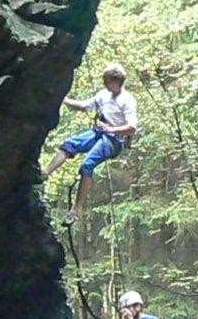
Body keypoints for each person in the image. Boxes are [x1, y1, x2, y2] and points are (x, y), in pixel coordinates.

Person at [42, 63, 138, 227]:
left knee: (87, 165)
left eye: (106, 80)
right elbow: (84, 106)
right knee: (68, 145)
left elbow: (132, 127)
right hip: (99, 132)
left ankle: (76, 210)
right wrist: (63, 99)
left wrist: (111, 128)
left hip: (114, 140)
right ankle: (45, 173)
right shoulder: (104, 94)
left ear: (115, 81)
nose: (103, 82)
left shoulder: (127, 100)